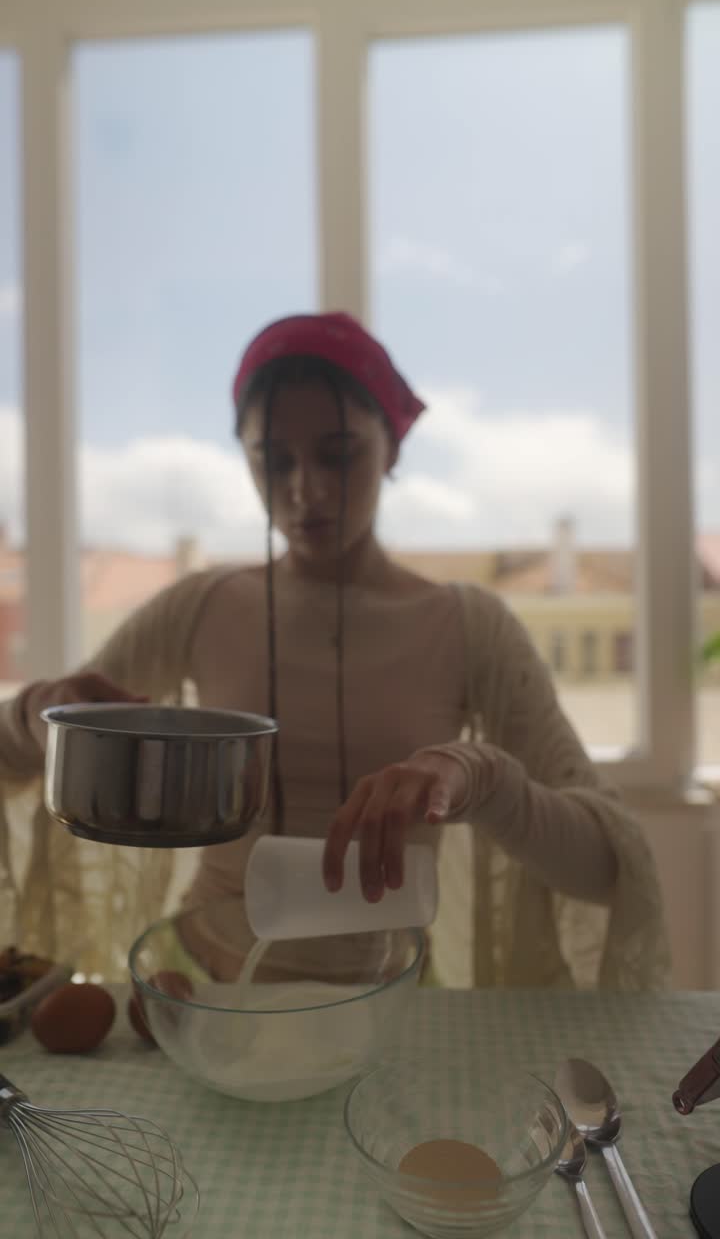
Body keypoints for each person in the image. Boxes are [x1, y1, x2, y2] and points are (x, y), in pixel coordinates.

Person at [0, 312, 668, 988]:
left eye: (338, 453)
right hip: (196, 991)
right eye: (274, 460)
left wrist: (485, 782)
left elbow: (609, 867)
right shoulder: (200, 606)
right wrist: (36, 714)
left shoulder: (469, 626)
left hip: (388, 1006)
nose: (304, 491)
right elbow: (24, 752)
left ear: (393, 448)